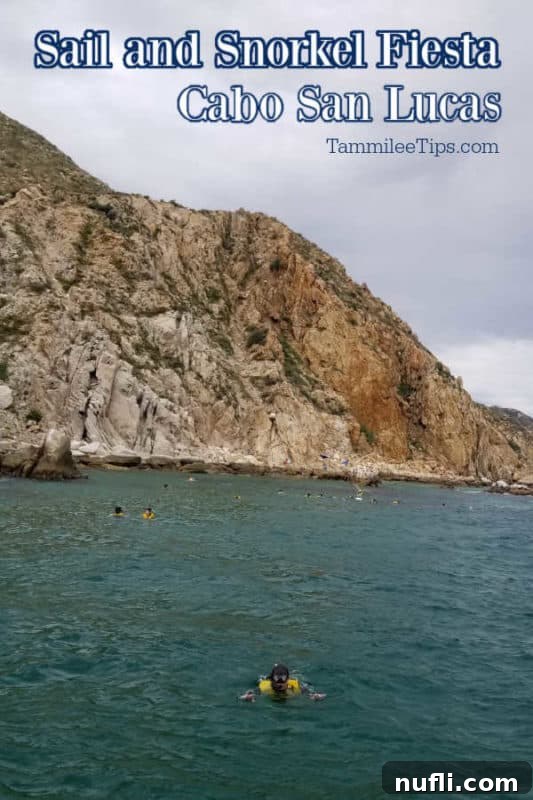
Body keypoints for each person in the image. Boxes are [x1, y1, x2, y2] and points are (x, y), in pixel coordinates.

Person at [239, 663, 326, 702]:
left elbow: (309, 692)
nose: (280, 681)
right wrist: (247, 696)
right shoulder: (264, 687)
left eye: (283, 678)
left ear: (287, 679)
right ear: (272, 679)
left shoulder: (295, 686)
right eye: (277, 678)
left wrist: (315, 696)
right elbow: (251, 693)